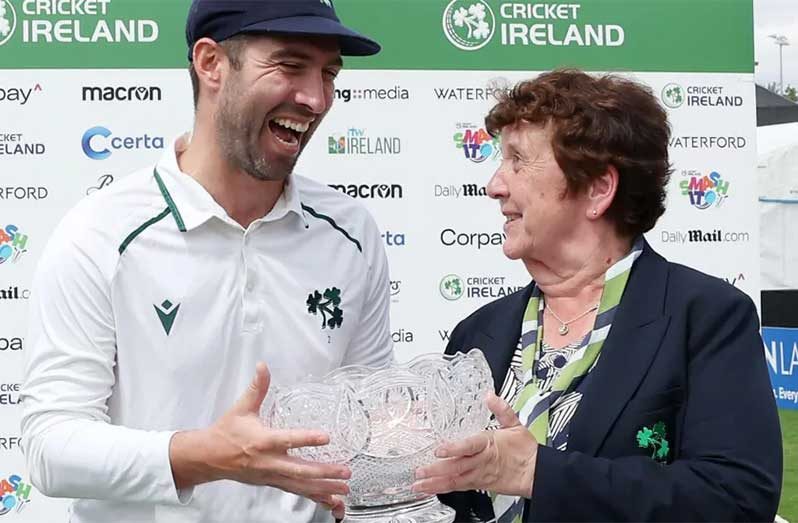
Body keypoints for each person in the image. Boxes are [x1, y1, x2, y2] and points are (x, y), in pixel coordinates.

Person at [20, 1, 393, 522]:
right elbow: (49, 445)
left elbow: (370, 412)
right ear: (211, 62)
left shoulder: (351, 231)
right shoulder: (100, 233)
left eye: (329, 73)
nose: (315, 97)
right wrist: (205, 456)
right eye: (290, 66)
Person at [413, 69, 782, 522]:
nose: (495, 185)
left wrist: (537, 471)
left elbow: (736, 501)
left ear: (597, 189)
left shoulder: (704, 317)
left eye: (517, 161)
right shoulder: (477, 331)